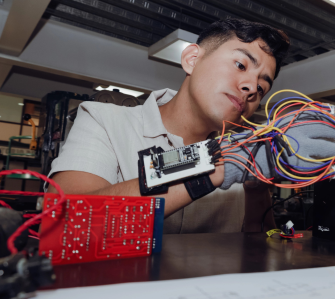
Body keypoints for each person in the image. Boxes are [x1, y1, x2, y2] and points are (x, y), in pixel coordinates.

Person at [47, 19, 290, 234]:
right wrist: (214, 164)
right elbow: (66, 218)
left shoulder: (244, 153)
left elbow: (261, 247)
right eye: (240, 65)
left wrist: (257, 188)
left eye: (261, 89)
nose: (250, 87)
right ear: (192, 59)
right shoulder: (102, 119)